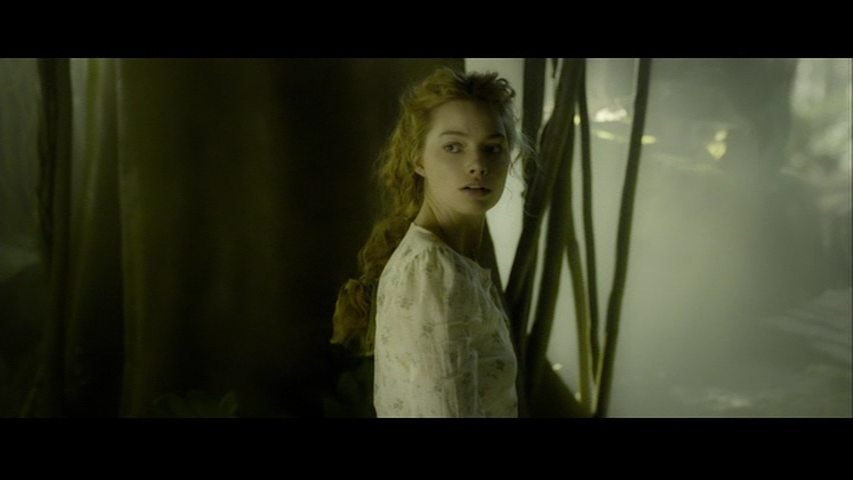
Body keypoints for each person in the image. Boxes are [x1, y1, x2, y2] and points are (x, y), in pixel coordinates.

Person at [331, 67, 527, 417]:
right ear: (418, 159)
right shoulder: (433, 272)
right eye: (453, 147)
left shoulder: (449, 263)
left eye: (492, 148)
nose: (477, 164)